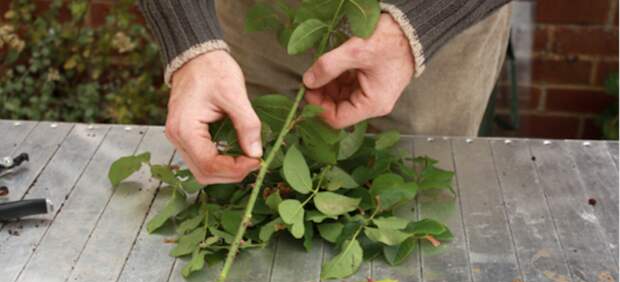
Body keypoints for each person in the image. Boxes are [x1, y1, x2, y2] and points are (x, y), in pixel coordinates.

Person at [138, 0, 512, 185]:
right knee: (247, 178)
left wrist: (420, 28)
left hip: (432, 27)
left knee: (411, 198)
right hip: (262, 19)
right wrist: (190, 43)